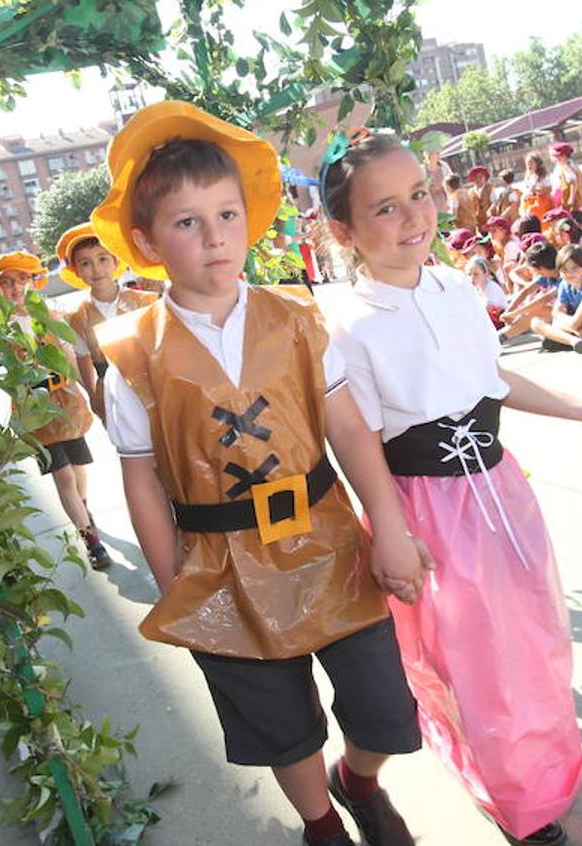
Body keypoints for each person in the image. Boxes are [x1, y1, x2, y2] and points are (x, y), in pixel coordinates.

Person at [92, 103, 428, 846]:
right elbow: (142, 478)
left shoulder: (300, 317)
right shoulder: (132, 353)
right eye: (186, 222)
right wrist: (171, 577)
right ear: (146, 241)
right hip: (219, 566)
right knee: (281, 724)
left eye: (226, 214)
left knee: (384, 709)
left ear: (250, 218)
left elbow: (348, 427)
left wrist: (391, 529)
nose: (214, 236)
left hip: (330, 541)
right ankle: (320, 825)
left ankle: (360, 780)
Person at [319, 130, 582, 846]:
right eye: (385, 210)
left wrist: (579, 408)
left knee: (533, 639)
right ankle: (517, 801)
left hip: (499, 491)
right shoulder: (346, 323)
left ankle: (537, 771)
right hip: (427, 507)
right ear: (342, 230)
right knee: (474, 661)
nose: (413, 219)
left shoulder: (456, 286)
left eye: (420, 196)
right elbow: (357, 440)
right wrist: (392, 529)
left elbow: (492, 383)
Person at [0, 250, 111, 571]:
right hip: (32, 411)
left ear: (33, 283)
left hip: (66, 404)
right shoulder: (0, 328)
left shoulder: (50, 314)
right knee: (63, 475)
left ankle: (83, 510)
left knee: (79, 469)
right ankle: (91, 540)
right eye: (6, 282)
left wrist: (93, 393)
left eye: (22, 280)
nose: (16, 288)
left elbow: (68, 355)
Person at [56, 223, 160, 420]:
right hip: (112, 392)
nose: (96, 269)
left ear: (116, 261)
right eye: (85, 263)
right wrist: (92, 394)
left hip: (154, 383)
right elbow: (83, 358)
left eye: (103, 259)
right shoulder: (77, 318)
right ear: (76, 270)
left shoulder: (146, 302)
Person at [500, 239, 561, 339]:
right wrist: (508, 311)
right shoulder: (547, 275)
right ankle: (501, 336)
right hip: (564, 313)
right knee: (536, 320)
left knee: (538, 310)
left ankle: (501, 337)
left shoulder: (564, 275)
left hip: (575, 313)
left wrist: (515, 313)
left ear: (540, 268)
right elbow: (526, 291)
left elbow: (544, 299)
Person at [468, 255, 509, 327]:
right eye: (469, 274)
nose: (472, 278)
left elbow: (487, 308)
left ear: (485, 274)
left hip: (501, 321)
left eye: (476, 274)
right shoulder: (477, 288)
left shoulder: (490, 286)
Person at [549, 142, 582, 214]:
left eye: (558, 156)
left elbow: (573, 182)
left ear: (564, 156)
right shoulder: (567, 165)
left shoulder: (566, 167)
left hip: (570, 203)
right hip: (569, 201)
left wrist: (571, 198)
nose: (556, 158)